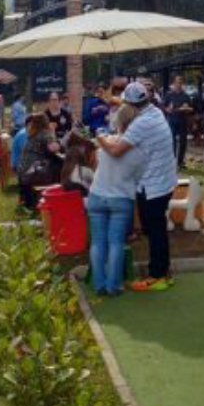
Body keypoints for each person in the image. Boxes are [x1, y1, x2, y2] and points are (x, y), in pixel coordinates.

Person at [98, 82, 177, 292]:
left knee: (154, 230)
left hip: (154, 185)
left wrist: (100, 140)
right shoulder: (155, 112)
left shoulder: (141, 124)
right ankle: (164, 271)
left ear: (132, 104)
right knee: (154, 228)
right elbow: (126, 103)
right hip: (164, 181)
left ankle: (158, 275)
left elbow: (116, 151)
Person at [87, 103, 144, 297]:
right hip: (121, 198)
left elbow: (96, 165)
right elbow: (138, 178)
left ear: (118, 121)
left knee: (97, 242)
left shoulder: (104, 141)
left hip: (96, 195)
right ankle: (113, 286)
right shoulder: (139, 151)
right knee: (116, 243)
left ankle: (98, 285)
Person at [16, 112, 62, 209]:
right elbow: (54, 148)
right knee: (60, 166)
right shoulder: (44, 133)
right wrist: (53, 133)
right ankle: (56, 197)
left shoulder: (33, 135)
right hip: (32, 173)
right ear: (45, 122)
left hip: (22, 172)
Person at [163, 75, 193, 168]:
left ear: (182, 84)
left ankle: (180, 162)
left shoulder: (186, 96)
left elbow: (190, 108)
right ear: (174, 83)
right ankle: (172, 161)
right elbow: (164, 107)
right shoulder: (169, 94)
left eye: (180, 82)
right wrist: (168, 109)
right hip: (172, 120)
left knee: (183, 142)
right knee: (172, 142)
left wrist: (187, 109)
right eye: (177, 82)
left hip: (182, 120)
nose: (178, 84)